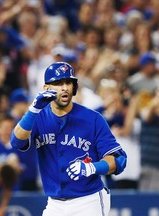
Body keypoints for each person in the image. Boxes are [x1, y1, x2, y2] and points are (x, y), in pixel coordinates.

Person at [10, 62, 127, 216]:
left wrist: (92, 167)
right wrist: (33, 110)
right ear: (46, 88)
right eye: (58, 83)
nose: (64, 87)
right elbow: (16, 142)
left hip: (88, 200)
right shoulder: (37, 117)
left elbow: (119, 160)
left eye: (68, 83)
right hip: (54, 203)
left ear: (74, 87)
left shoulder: (93, 119)